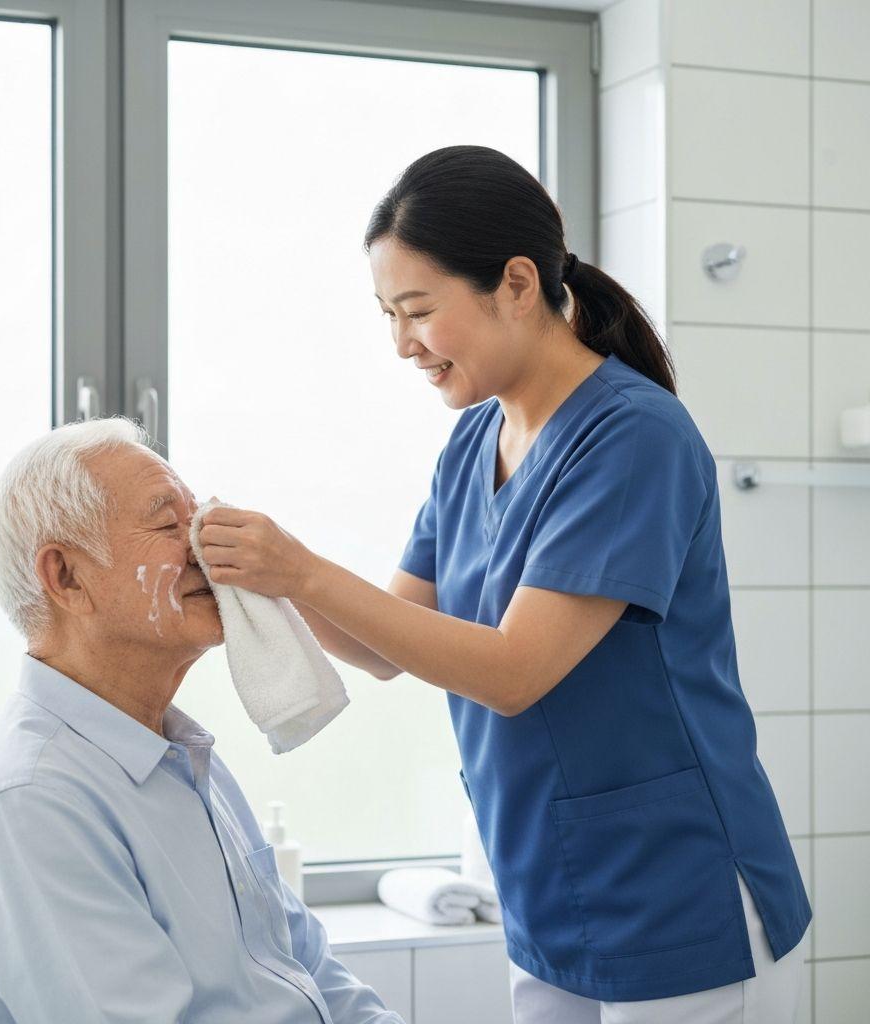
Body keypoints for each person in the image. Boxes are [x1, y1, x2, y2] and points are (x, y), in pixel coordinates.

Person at [196, 145, 812, 1023]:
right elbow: (384, 646)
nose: (402, 345)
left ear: (517, 284)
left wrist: (300, 568)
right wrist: (259, 576)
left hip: (680, 890)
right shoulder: (471, 443)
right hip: (548, 886)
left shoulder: (633, 437)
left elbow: (514, 672)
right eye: (388, 316)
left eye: (418, 311)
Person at [0, 419, 404, 1024]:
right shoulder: (31, 804)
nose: (206, 546)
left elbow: (308, 971)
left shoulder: (182, 757)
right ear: (66, 577)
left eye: (198, 518)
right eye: (168, 525)